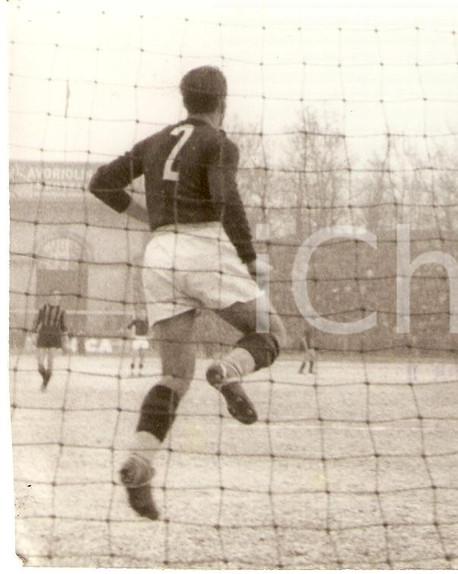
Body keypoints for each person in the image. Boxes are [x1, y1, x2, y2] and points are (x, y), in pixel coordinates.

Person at [88, 65, 287, 520]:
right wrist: (250, 256)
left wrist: (150, 219)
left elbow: (101, 182)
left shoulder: (156, 141)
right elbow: (225, 201)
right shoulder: (219, 142)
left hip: (159, 257)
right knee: (272, 333)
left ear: (184, 100)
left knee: (175, 375)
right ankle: (230, 370)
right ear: (222, 102)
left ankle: (139, 463)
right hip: (205, 248)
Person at [34, 291, 68, 390]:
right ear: (49, 297)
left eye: (57, 296)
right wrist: (33, 334)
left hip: (55, 335)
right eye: (53, 296)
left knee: (50, 361)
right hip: (43, 334)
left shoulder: (62, 311)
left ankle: (44, 385)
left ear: (59, 298)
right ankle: (45, 379)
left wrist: (65, 340)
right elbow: (37, 322)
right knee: (40, 364)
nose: (55, 298)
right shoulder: (43, 309)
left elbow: (64, 326)